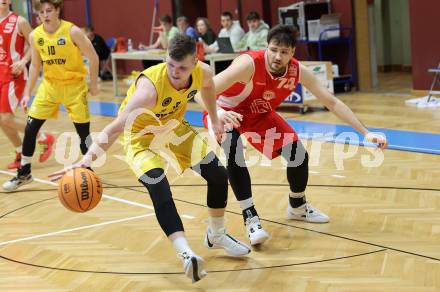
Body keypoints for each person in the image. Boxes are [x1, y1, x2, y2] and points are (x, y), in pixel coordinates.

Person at [49, 34, 250, 283]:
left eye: (182, 68)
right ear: (165, 59)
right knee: (158, 185)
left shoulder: (203, 72)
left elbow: (208, 88)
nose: (175, 73)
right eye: (171, 65)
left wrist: (215, 118)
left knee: (218, 174)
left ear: (195, 62)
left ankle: (217, 235)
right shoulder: (148, 90)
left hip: (172, 128)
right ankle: (186, 253)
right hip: (138, 136)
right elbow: (113, 129)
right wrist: (86, 160)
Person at [200, 25, 388, 246]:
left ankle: (297, 206)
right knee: (234, 152)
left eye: (284, 52)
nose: (277, 56)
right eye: (273, 49)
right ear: (266, 47)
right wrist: (218, 115)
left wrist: (366, 133)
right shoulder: (248, 64)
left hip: (260, 114)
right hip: (226, 112)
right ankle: (250, 216)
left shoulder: (297, 71)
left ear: (292, 53)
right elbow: (205, 89)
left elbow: (332, 102)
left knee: (298, 154)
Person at [2, 0, 99, 191]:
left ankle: (88, 172)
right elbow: (36, 66)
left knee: (83, 133)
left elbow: (93, 56)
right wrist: (27, 94)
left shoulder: (72, 31)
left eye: (49, 11)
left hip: (74, 87)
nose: (45, 15)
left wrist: (93, 85)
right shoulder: (36, 35)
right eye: (41, 12)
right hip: (49, 87)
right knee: (30, 129)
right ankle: (24, 173)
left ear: (57, 11)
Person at [0, 0, 53, 170]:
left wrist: (23, 61)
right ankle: (19, 152)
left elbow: (35, 45)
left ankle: (43, 138)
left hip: (14, 75)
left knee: (6, 117)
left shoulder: (20, 21)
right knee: (2, 120)